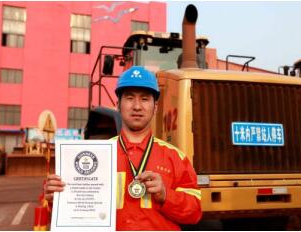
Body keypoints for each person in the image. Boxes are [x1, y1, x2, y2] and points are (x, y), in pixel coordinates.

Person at [44, 66, 202, 230]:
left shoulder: (175, 157)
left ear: (155, 107)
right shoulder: (97, 156)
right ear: (118, 104)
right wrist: (57, 200)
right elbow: (73, 216)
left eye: (145, 99)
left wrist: (166, 195)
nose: (137, 106)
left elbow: (195, 212)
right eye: (129, 98)